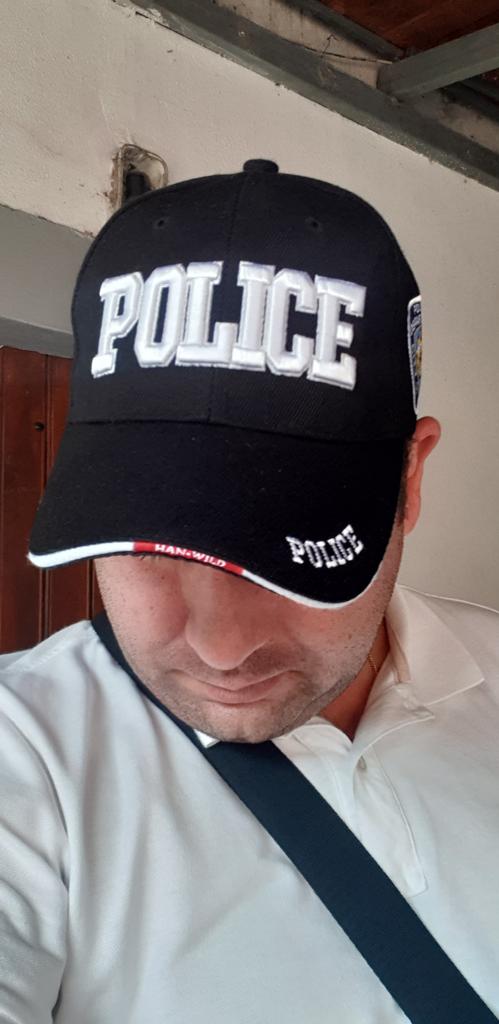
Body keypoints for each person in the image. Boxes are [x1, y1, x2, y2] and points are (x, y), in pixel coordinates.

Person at [1, 159, 498, 1023]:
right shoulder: (25, 752)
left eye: (288, 554)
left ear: (409, 481)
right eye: (149, 545)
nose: (221, 648)